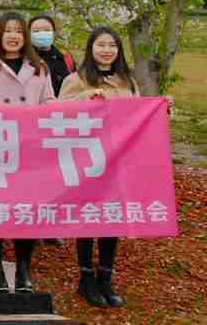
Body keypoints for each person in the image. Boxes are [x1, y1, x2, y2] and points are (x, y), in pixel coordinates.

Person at [60, 27, 150, 309]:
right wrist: (85, 100)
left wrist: (160, 108)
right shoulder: (77, 79)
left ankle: (106, 276)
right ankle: (85, 277)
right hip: (87, 158)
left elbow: (138, 115)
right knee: (89, 216)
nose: (107, 50)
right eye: (101, 45)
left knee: (112, 217)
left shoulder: (127, 81)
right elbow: (58, 111)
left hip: (119, 158)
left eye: (112, 45)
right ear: (91, 48)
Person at [0, 12, 55, 293]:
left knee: (26, 209)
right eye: (8, 30)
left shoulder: (39, 67)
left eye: (18, 30)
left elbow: (50, 101)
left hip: (28, 147)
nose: (13, 35)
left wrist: (35, 115)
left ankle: (23, 268)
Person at [28, 14, 75, 96]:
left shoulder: (65, 57)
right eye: (36, 31)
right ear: (29, 34)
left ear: (54, 33)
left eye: (47, 30)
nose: (42, 33)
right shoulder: (24, 58)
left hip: (61, 106)